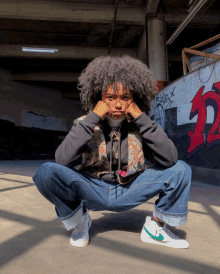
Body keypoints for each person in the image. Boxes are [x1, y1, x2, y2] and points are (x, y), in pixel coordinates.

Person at [32, 55, 192, 249]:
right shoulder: (85, 122)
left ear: (134, 100)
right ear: (100, 98)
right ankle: (80, 220)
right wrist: (92, 118)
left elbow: (170, 159)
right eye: (111, 97)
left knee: (181, 169)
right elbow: (62, 159)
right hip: (93, 188)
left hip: (130, 189)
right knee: (46, 172)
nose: (118, 104)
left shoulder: (142, 124)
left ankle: (155, 227)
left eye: (125, 97)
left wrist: (141, 118)